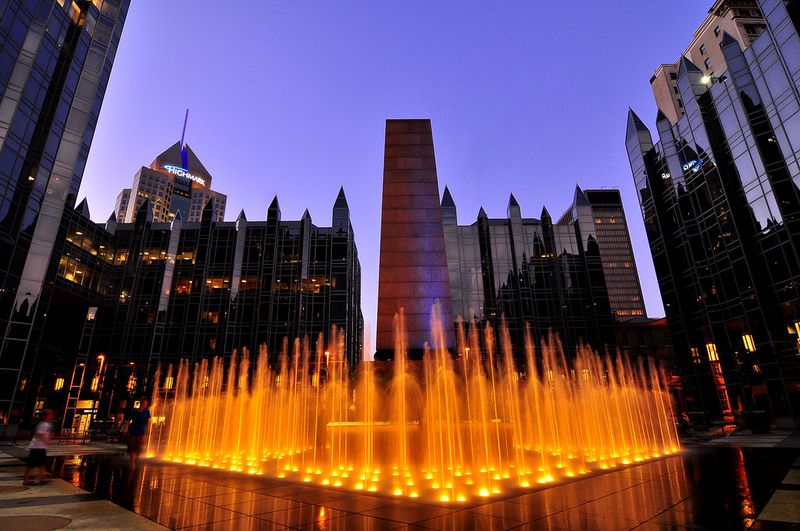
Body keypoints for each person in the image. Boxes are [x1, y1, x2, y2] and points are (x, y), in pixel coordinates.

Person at [23, 409, 54, 485]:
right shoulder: (43, 424)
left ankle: (42, 478)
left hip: (39, 446)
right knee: (31, 464)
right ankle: (26, 480)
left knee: (41, 463)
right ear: (46, 416)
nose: (51, 416)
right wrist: (47, 441)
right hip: (38, 447)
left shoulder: (43, 424)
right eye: (50, 414)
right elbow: (40, 434)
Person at [127, 399, 151, 469]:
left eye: (146, 403)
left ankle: (134, 462)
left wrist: (148, 430)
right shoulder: (134, 411)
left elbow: (148, 421)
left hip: (141, 432)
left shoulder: (147, 412)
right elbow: (129, 419)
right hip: (133, 431)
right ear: (140, 403)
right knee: (132, 448)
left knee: (138, 449)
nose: (145, 404)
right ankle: (132, 463)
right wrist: (127, 428)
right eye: (144, 403)